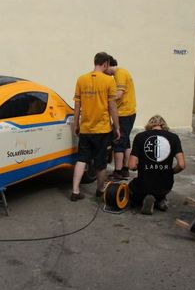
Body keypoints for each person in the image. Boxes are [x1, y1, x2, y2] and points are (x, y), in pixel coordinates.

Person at [71, 52, 121, 201]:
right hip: (102, 130)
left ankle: (75, 191)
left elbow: (77, 105)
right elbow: (112, 107)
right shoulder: (109, 81)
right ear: (105, 64)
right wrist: (117, 127)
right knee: (100, 162)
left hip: (86, 128)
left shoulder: (81, 79)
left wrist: (76, 124)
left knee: (82, 159)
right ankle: (99, 190)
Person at [128, 115, 185, 214]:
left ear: (149, 126)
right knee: (160, 187)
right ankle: (160, 200)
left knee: (131, 188)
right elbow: (181, 165)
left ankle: (144, 199)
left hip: (144, 184)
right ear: (164, 126)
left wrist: (141, 167)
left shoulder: (140, 137)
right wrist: (170, 172)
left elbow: (132, 165)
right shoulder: (174, 138)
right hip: (165, 185)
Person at [105, 56, 136, 180]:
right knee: (125, 141)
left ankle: (117, 171)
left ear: (107, 65)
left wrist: (103, 100)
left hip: (124, 113)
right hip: (128, 112)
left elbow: (119, 94)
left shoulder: (120, 73)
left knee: (118, 141)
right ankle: (125, 169)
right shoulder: (121, 73)